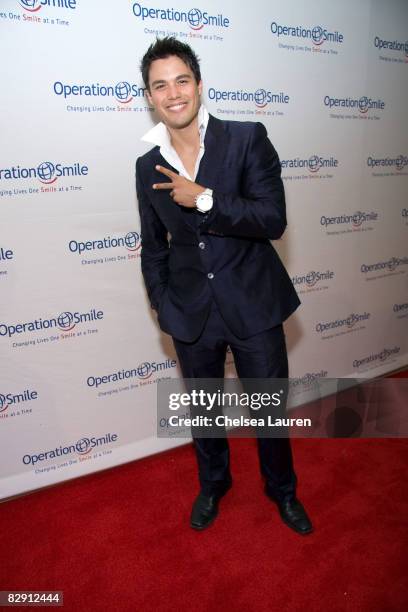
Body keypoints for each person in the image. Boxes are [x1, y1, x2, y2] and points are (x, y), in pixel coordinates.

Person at [136, 37, 313, 535]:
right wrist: (162, 302)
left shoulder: (247, 138)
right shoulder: (146, 165)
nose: (173, 93)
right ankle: (214, 485)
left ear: (199, 85)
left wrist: (207, 199)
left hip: (252, 303)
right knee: (205, 413)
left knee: (269, 413)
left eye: (181, 80)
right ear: (150, 97)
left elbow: (272, 218)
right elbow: (154, 246)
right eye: (160, 85)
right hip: (192, 312)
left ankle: (283, 492)